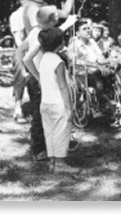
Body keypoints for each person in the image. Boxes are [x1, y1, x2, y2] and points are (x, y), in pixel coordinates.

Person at [16, 5, 76, 161]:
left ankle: (51, 149)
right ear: (53, 20)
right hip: (43, 80)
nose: (59, 17)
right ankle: (39, 150)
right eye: (56, 16)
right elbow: (27, 57)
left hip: (45, 77)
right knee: (40, 116)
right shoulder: (39, 36)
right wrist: (37, 76)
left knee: (45, 115)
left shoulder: (38, 33)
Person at [37, 27, 78, 174]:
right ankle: (60, 164)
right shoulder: (58, 62)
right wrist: (68, 107)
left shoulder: (44, 58)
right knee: (61, 132)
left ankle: (52, 162)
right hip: (58, 103)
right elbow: (63, 87)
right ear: (60, 43)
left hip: (45, 103)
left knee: (50, 132)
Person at [9, 0, 29, 123]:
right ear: (21, 0)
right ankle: (18, 110)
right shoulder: (17, 15)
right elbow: (18, 37)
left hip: (38, 50)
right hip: (22, 50)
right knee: (20, 79)